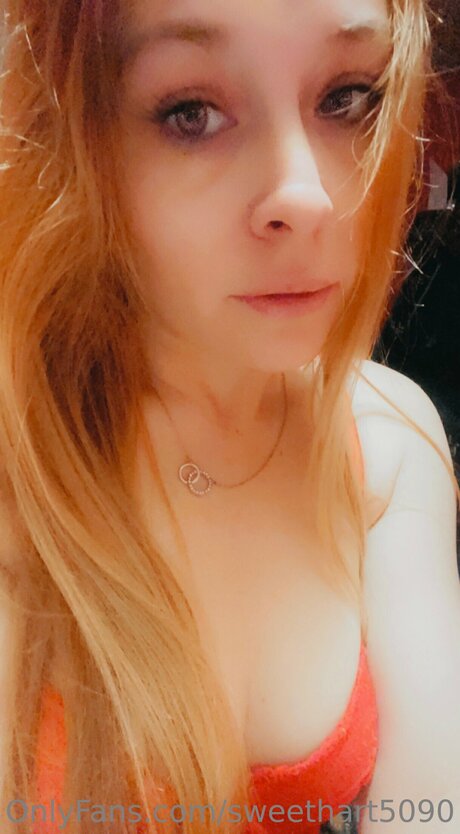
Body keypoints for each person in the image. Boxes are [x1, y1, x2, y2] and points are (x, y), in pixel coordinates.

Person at [0, 1, 459, 833]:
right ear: (72, 137)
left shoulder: (387, 444)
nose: (306, 196)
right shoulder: (21, 480)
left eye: (347, 97)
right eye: (191, 112)